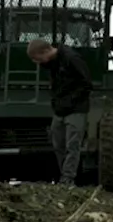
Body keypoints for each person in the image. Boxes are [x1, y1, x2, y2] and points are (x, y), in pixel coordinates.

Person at [27, 38, 93, 185]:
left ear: (45, 51)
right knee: (58, 144)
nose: (38, 63)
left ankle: (67, 179)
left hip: (76, 109)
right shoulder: (52, 64)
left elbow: (86, 83)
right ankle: (66, 174)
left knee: (72, 145)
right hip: (59, 110)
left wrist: (71, 101)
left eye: (38, 59)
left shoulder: (72, 59)